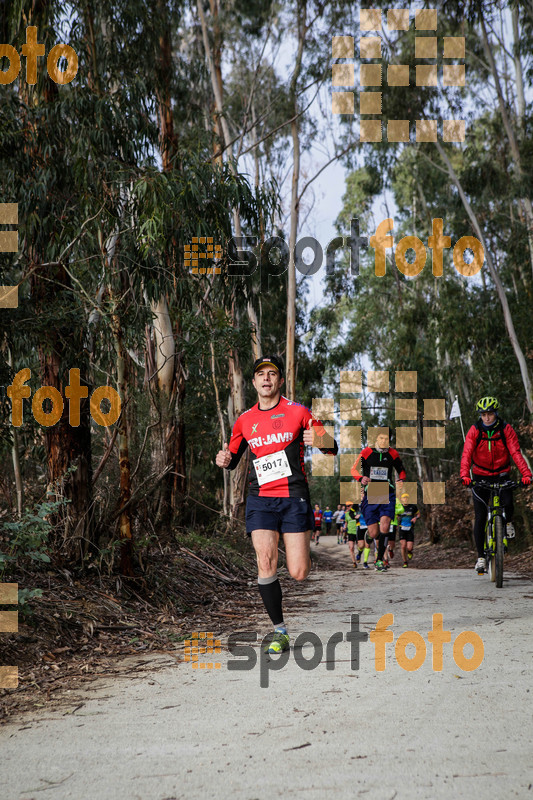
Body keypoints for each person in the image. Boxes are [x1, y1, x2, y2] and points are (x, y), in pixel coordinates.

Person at [216, 355, 338, 653]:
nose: (267, 379)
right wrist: (224, 460)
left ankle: (296, 570)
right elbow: (231, 459)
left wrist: (319, 440)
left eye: (272, 374)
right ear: (254, 382)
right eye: (261, 374)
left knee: (298, 571)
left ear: (280, 381)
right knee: (265, 561)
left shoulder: (299, 413)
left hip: (293, 495)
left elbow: (331, 448)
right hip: (260, 499)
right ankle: (280, 631)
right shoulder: (245, 420)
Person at [460, 396, 531, 573]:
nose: (487, 418)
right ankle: (481, 558)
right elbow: (467, 453)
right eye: (483, 415)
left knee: (508, 502)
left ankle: (507, 523)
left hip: (502, 473)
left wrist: (526, 474)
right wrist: (465, 476)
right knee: (481, 515)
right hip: (480, 475)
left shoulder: (506, 429)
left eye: (490, 414)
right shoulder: (475, 430)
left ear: (496, 413)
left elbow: (515, 452)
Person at [351, 431, 406, 572]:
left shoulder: (393, 454)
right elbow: (354, 469)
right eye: (381, 438)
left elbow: (401, 470)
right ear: (376, 439)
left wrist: (401, 479)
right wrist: (360, 478)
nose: (384, 440)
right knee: (374, 533)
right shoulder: (367, 452)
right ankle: (369, 536)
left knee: (385, 527)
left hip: (387, 492)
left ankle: (379, 559)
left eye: (386, 438)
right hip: (372, 493)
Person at [397, 491, 420, 567]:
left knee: (409, 547)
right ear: (402, 499)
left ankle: (410, 552)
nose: (405, 499)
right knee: (403, 546)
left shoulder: (413, 507)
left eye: (407, 498)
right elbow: (396, 514)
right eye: (404, 498)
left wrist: (415, 518)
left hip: (410, 529)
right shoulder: (399, 507)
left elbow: (418, 514)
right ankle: (405, 562)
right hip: (402, 528)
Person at [345, 503, 359, 567]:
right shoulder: (346, 514)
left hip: (357, 531)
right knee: (351, 548)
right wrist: (344, 530)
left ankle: (359, 555)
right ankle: (354, 562)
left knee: (360, 547)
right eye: (346, 506)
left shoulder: (357, 512)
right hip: (350, 532)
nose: (347, 507)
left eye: (349, 506)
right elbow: (346, 522)